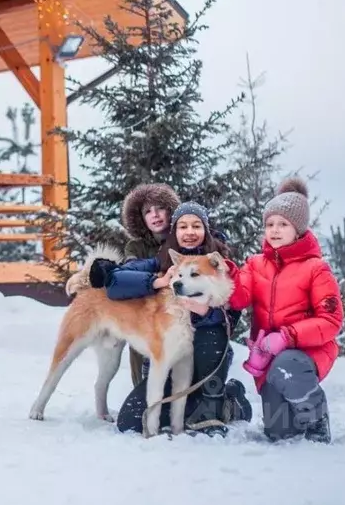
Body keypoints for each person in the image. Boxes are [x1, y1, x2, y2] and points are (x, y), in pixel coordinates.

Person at [90, 202, 253, 437]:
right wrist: (155, 281)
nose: (189, 232)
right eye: (182, 226)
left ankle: (222, 401)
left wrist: (206, 313)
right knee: (131, 422)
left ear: (205, 231)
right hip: (170, 358)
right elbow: (117, 283)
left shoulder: (220, 264)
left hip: (206, 359)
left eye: (196, 226)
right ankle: (217, 398)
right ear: (174, 232)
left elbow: (234, 313)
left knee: (212, 332)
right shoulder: (165, 261)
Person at [230, 178, 343, 444]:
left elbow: (331, 320)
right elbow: (238, 298)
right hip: (267, 357)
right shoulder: (255, 264)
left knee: (286, 365)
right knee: (279, 433)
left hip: (305, 353)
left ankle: (317, 419)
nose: (275, 230)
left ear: (299, 229)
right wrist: (226, 274)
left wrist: (287, 337)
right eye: (270, 224)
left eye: (283, 224)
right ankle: (284, 412)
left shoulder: (316, 268)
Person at [117, 183, 181, 387]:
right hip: (145, 313)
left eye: (159, 208)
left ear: (170, 210)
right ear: (141, 218)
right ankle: (141, 391)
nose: (154, 215)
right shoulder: (135, 246)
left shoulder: (183, 238)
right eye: (147, 211)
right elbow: (130, 272)